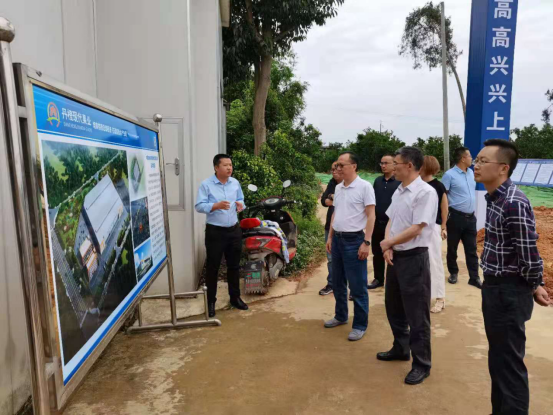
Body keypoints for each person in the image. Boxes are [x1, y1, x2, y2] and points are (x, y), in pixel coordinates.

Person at [474, 139, 550, 415]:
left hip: (508, 292)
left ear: (503, 168)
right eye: (476, 160)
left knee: (509, 364)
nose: (476, 165)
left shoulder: (513, 202)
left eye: (483, 161)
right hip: (495, 288)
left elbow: (528, 253)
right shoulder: (495, 198)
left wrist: (534, 283)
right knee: (499, 359)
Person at [377, 147, 438, 385]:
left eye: (396, 163)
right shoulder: (400, 190)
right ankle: (400, 348)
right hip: (395, 256)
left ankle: (422, 364)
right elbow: (391, 220)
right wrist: (388, 246)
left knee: (417, 313)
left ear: (409, 166)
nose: (392, 167)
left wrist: (388, 243)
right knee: (394, 306)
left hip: (414, 258)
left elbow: (417, 228)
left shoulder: (425, 192)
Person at [324, 152, 376, 341]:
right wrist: (330, 237)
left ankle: (360, 325)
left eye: (341, 165)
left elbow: (371, 215)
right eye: (336, 165)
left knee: (357, 285)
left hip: (354, 241)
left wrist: (366, 242)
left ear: (353, 166)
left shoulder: (365, 187)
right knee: (337, 282)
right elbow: (335, 214)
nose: (337, 168)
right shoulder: (338, 188)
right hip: (337, 240)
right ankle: (341, 315)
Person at [195, 154, 249, 318]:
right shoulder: (206, 185)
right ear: (216, 167)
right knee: (213, 268)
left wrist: (240, 205)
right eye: (225, 165)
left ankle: (235, 298)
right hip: (215, 232)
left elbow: (241, 199)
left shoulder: (235, 183)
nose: (229, 168)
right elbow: (199, 206)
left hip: (234, 230)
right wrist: (215, 206)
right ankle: (211, 302)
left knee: (234, 266)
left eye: (230, 165)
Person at [441, 147, 482, 288]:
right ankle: (453, 272)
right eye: (469, 156)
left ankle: (474, 277)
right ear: (463, 158)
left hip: (471, 218)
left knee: (471, 249)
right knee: (452, 248)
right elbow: (443, 196)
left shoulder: (471, 172)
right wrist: (443, 221)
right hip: (455, 217)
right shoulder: (449, 175)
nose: (472, 158)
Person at [420, 156, 448, 313]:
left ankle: (440, 298)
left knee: (434, 261)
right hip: (417, 228)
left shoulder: (438, 186)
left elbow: (444, 208)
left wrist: (443, 227)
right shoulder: (416, 184)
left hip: (433, 227)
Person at [369, 154, 400, 290]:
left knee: (394, 253)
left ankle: (395, 281)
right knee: (377, 252)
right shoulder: (377, 181)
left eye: (386, 163)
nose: (383, 166)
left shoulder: (399, 182)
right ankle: (378, 279)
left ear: (394, 164)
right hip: (377, 223)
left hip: (393, 224)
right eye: (381, 163)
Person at [319, 161, 343, 296]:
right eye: (332, 169)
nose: (333, 171)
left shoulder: (350, 185)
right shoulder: (332, 183)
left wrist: (333, 199)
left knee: (347, 258)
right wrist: (331, 197)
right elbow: (324, 201)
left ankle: (350, 286)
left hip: (346, 229)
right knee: (331, 258)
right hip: (330, 226)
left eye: (336, 169)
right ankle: (332, 284)